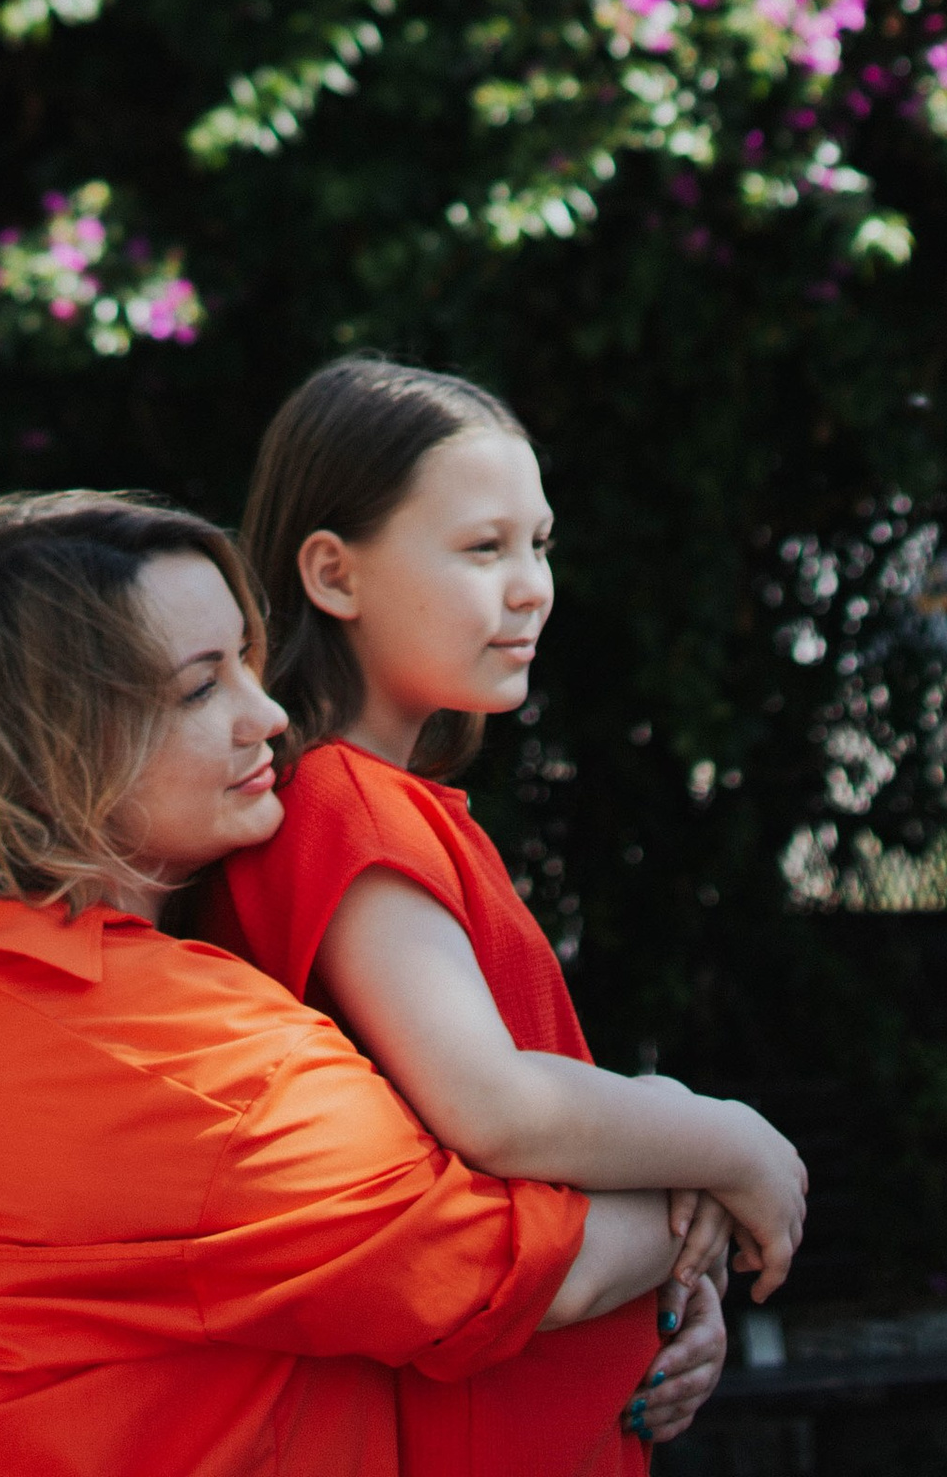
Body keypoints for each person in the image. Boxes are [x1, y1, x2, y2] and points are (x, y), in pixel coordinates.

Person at [0, 487, 690, 1475]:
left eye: (246, 658)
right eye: (199, 688)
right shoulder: (171, 1054)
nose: (266, 714)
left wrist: (663, 1295)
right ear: (52, 748)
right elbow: (507, 1273)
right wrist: (714, 1178)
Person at [205, 356, 809, 1477]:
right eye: (483, 549)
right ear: (333, 574)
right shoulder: (338, 803)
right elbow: (493, 1106)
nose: (530, 585)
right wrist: (733, 1144)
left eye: (539, 545)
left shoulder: (393, 805)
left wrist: (671, 1273)